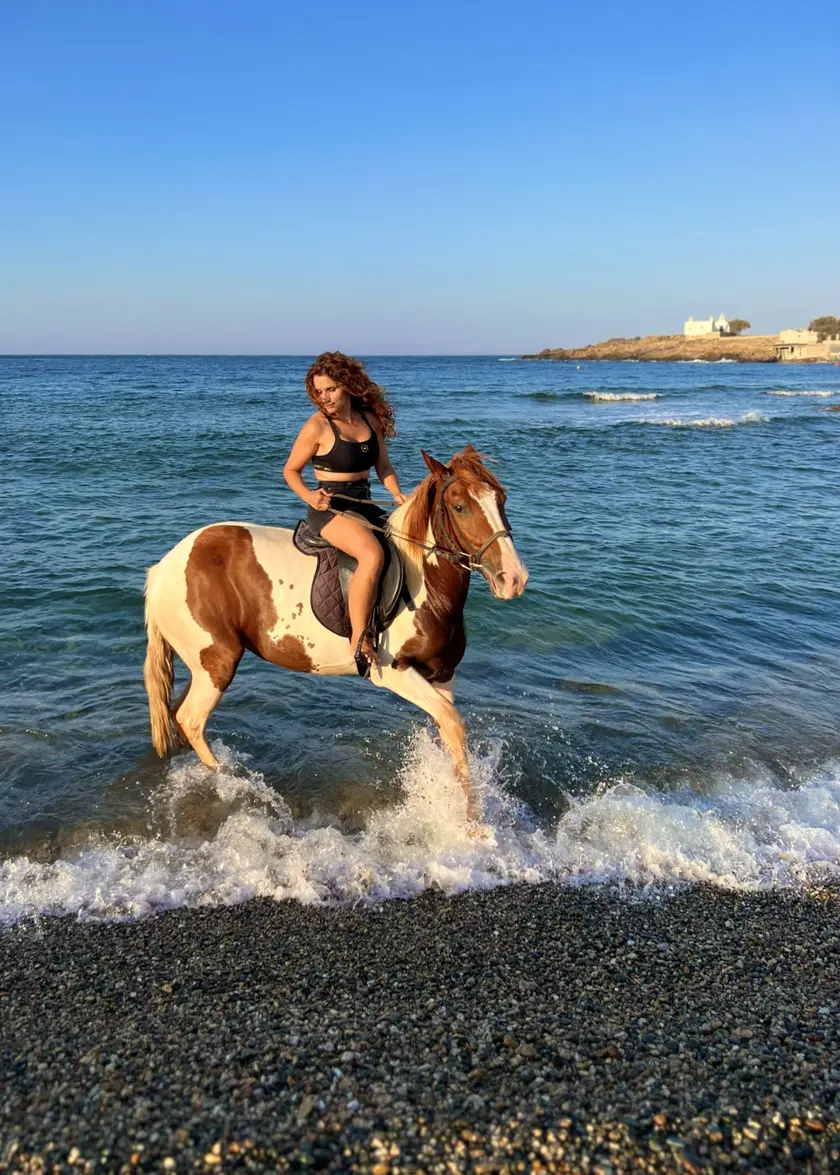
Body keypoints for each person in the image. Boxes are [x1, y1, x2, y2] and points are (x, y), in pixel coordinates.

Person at [283, 352, 407, 676]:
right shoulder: (317, 427)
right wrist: (311, 495)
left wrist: (396, 493)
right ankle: (358, 639)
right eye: (318, 392)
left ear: (348, 387)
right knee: (371, 555)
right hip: (330, 508)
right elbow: (291, 471)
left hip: (364, 504)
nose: (324, 398)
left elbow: (383, 466)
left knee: (408, 543)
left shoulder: (369, 420)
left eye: (331, 390)